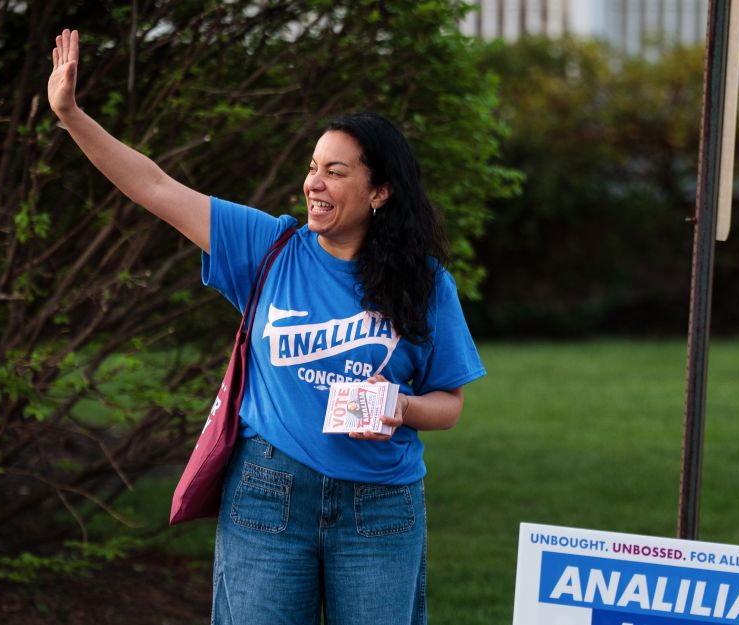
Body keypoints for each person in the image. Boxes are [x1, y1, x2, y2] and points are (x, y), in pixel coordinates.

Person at [49, 29, 485, 625]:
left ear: (380, 191)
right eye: (313, 169)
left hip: (381, 508)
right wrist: (70, 115)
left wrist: (399, 408)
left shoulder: (426, 284)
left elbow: (450, 403)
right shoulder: (268, 246)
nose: (314, 183)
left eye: (335, 172)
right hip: (267, 494)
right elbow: (154, 186)